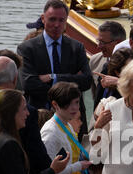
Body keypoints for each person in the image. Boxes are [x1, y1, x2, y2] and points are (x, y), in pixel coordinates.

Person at [17, 0, 92, 138]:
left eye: (61, 20)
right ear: (43, 18)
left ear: (66, 21)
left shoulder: (77, 47)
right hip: (39, 117)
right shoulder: (27, 48)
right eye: (52, 19)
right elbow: (29, 84)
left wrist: (53, 77)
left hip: (74, 119)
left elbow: (87, 81)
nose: (57, 25)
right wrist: (72, 80)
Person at [90, 21, 126, 100]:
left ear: (118, 43)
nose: (98, 46)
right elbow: (95, 97)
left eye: (102, 42)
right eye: (98, 41)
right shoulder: (94, 61)